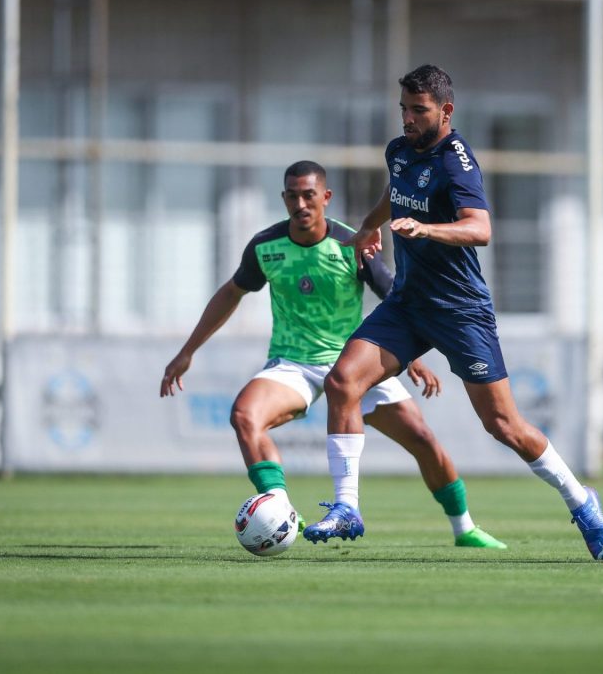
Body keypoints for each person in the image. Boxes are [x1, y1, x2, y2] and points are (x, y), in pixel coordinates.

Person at [317, 65, 603, 561]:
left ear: (446, 111)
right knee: (342, 381)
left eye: (419, 111)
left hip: (460, 310)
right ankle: (347, 508)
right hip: (409, 303)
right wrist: (371, 227)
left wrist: (427, 230)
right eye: (404, 109)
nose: (408, 119)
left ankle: (581, 501)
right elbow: (396, 192)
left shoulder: (457, 161)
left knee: (504, 426)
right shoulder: (398, 150)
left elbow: (480, 229)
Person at [160, 160, 506, 550]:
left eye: (309, 195)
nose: (301, 204)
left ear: (326, 197)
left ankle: (465, 528)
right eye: (293, 196)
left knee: (423, 439)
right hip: (292, 363)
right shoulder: (265, 246)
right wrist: (187, 351)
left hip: (353, 366)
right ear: (284, 199)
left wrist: (413, 358)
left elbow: (397, 298)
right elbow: (231, 292)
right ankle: (281, 510)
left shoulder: (351, 243)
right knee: (244, 415)